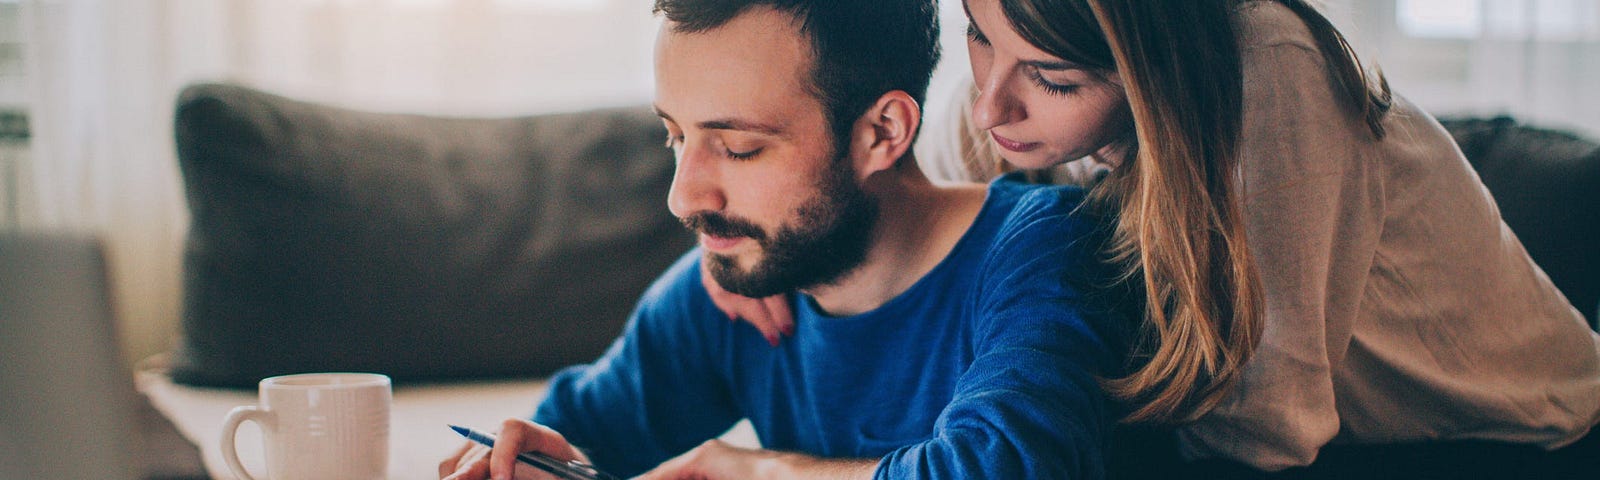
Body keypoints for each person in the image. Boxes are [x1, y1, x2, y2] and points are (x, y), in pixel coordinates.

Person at [709, 0, 1600, 476]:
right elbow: (901, 205)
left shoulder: (1267, 78)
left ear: (1148, 62)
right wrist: (757, 247)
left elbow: (1271, 430)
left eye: (1051, 78)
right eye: (979, 39)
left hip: (1505, 442)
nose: (992, 104)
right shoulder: (1012, 81)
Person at [439, 1, 1134, 479]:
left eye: (738, 147)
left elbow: (1007, 467)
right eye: (675, 136)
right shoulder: (731, 285)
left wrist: (767, 470)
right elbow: (577, 436)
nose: (684, 197)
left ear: (882, 133)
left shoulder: (1047, 247)